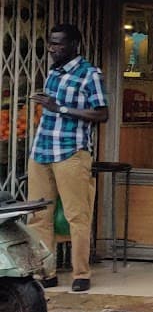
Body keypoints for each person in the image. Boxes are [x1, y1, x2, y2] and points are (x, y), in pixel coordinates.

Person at [27, 24, 108, 293]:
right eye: (51, 43)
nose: (52, 48)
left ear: (74, 45)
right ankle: (45, 272)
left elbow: (101, 114)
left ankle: (81, 273)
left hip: (70, 152)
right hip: (41, 151)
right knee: (39, 216)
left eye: (59, 44)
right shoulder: (53, 72)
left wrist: (59, 107)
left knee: (77, 215)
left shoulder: (89, 74)